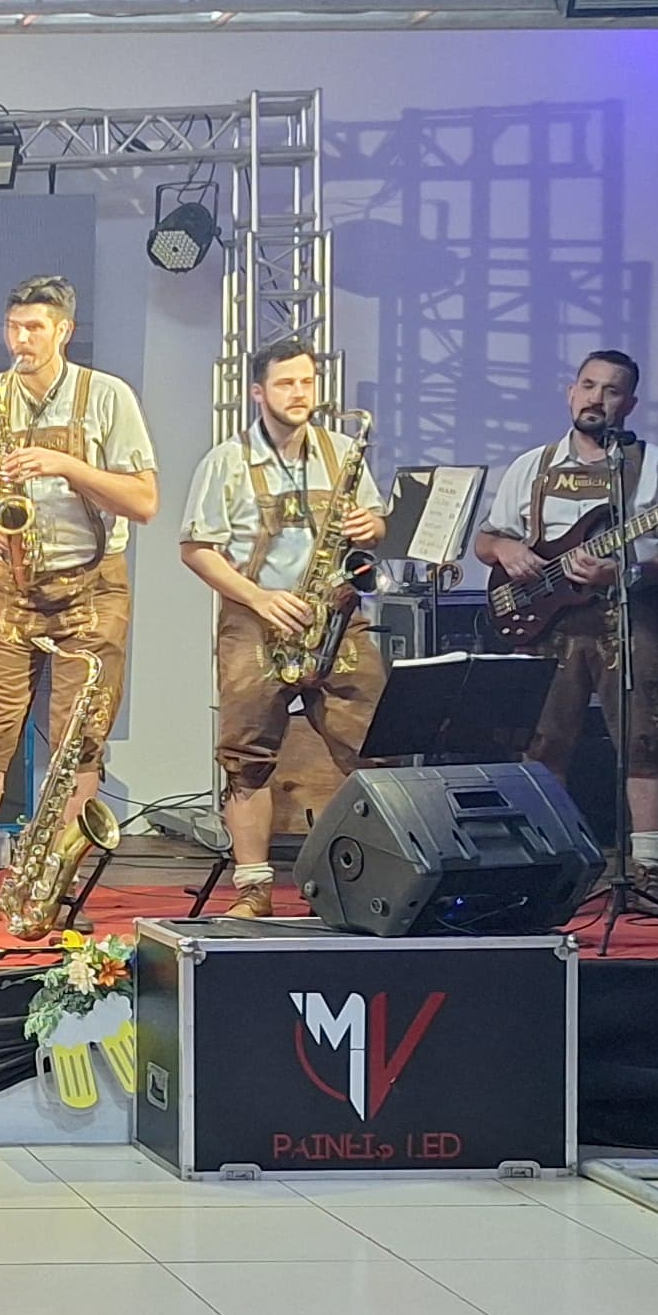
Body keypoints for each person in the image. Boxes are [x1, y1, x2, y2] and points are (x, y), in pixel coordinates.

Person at [0, 275, 159, 935]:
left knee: (78, 741)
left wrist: (67, 467)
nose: (21, 340)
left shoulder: (106, 396)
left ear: (64, 331)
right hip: (12, 580)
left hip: (92, 582)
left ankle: (53, 884)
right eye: (14, 327)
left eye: (34, 328)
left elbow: (144, 501)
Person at [179, 336, 390, 916]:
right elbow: (196, 549)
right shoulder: (226, 461)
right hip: (257, 622)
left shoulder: (341, 452)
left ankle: (378, 878)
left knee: (377, 745)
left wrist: (371, 528)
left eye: (306, 382)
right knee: (246, 757)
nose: (299, 393)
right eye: (285, 383)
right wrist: (260, 599)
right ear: (258, 392)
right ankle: (253, 889)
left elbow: (376, 527)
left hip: (337, 619)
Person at [475, 348, 658, 883]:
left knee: (644, 737)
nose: (597, 398)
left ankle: (648, 868)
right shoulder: (532, 466)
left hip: (628, 615)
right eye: (589, 386)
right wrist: (506, 550)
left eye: (612, 390)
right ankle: (547, 862)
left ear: (630, 404)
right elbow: (487, 540)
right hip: (545, 620)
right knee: (542, 741)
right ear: (571, 392)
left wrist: (628, 572)